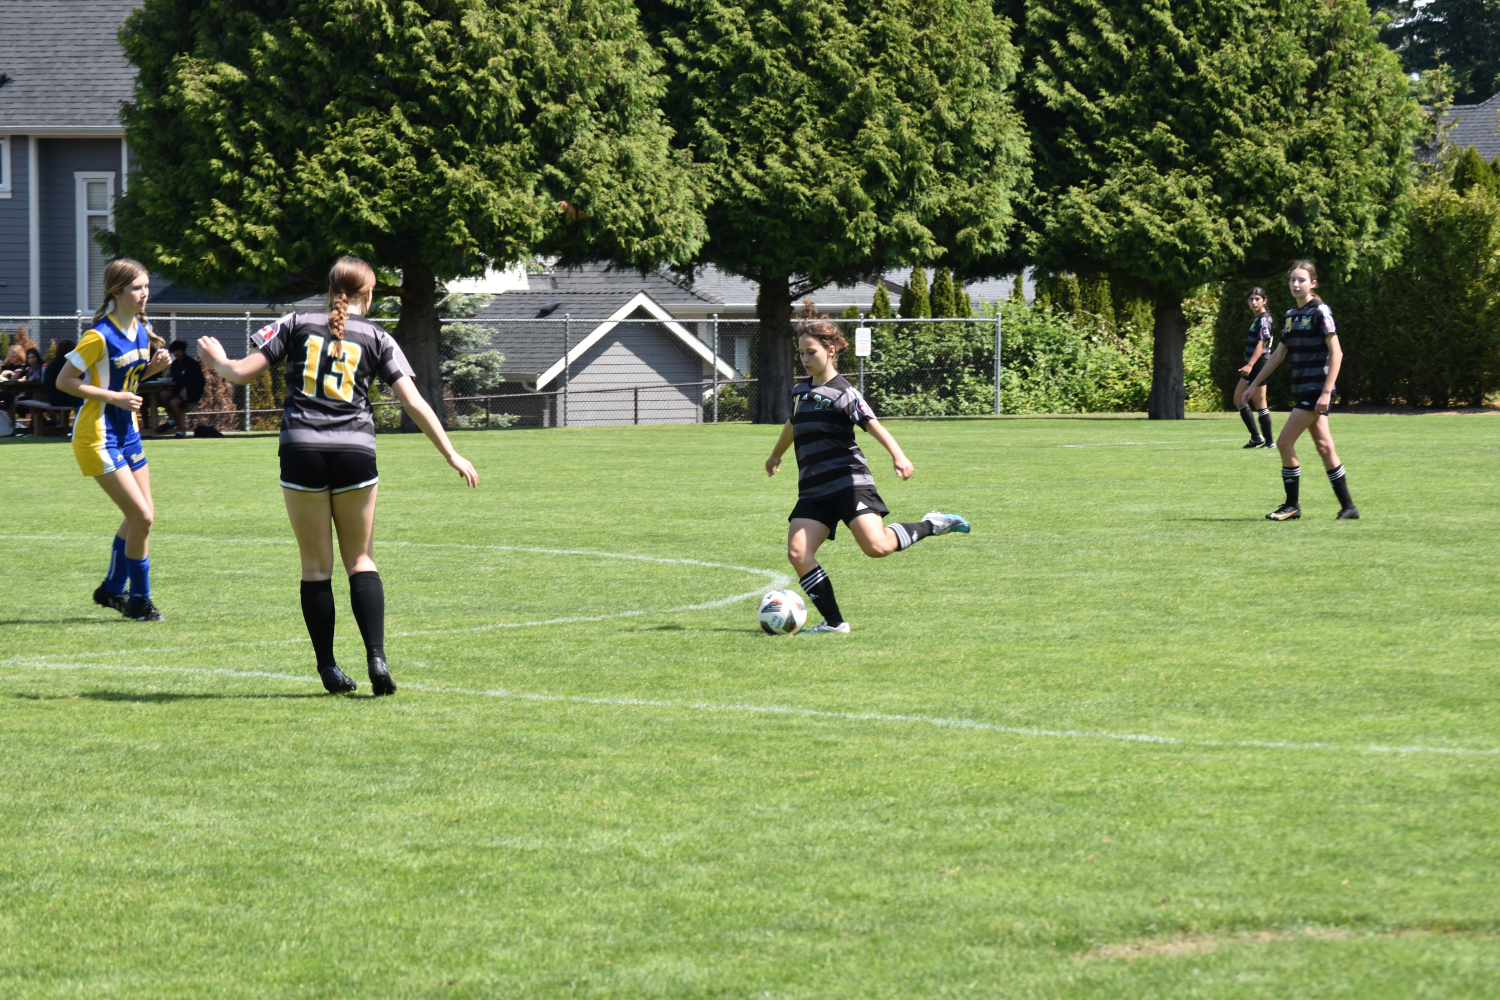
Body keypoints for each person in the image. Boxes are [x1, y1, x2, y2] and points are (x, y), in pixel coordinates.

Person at [197, 256, 478, 696]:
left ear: (329, 290)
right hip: (354, 451)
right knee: (361, 560)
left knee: (316, 567)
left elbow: (241, 373)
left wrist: (216, 360)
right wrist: (451, 453)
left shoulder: (295, 322)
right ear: (369, 294)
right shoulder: (379, 337)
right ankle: (376, 657)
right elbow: (415, 402)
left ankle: (328, 667)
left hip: (301, 449)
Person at [765, 321, 970, 633]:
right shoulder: (800, 391)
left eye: (811, 352)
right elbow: (793, 424)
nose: (805, 359)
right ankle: (834, 624)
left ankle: (933, 524)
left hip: (850, 482)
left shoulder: (844, 392)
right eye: (801, 353)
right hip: (813, 488)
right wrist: (776, 454)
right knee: (798, 552)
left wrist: (898, 455)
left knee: (876, 547)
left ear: (830, 350)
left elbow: (872, 423)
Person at [55, 259, 173, 621]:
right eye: (137, 288)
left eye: (146, 287)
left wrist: (150, 370)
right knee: (142, 517)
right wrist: (114, 397)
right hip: (97, 436)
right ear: (116, 292)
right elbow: (64, 381)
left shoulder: (141, 328)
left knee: (140, 518)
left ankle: (111, 590)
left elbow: (128, 382)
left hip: (128, 433)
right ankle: (138, 600)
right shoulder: (98, 336)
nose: (144, 294)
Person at [1242, 260, 1359, 521]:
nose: (1296, 284)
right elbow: (1278, 355)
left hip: (1317, 388)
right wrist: (1253, 384)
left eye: (1301, 280)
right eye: (1292, 280)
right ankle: (1349, 507)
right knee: (1324, 446)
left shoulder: (1320, 311)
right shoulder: (1290, 316)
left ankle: (1292, 505)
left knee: (1283, 442)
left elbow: (1337, 352)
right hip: (1304, 387)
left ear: (1313, 283)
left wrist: (1327, 391)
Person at [1234, 288, 1275, 449]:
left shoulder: (1264, 319)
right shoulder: (1258, 319)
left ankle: (1270, 442)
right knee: (1238, 398)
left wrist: (1250, 365)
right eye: (1251, 299)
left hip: (1259, 363)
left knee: (1260, 402)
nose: (1254, 302)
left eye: (1257, 298)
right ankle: (1256, 437)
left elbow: (1262, 344)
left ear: (1264, 300)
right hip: (1254, 364)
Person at [161, 340, 205, 438]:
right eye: (174, 351)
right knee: (163, 394)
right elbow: (175, 380)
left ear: (183, 350)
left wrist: (187, 388)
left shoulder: (192, 364)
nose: (176, 353)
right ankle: (172, 419)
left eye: (178, 350)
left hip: (192, 393)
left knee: (173, 403)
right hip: (177, 391)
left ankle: (180, 431)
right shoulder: (174, 365)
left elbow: (199, 382)